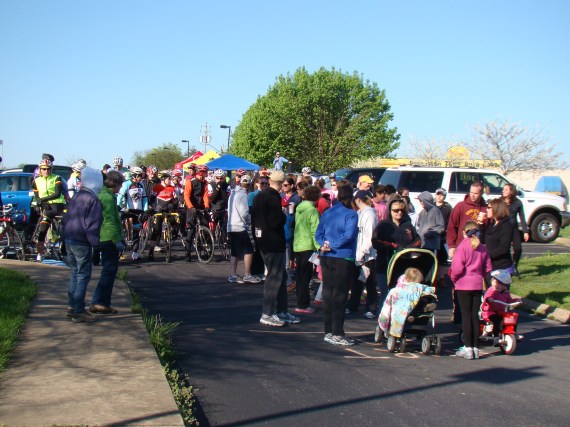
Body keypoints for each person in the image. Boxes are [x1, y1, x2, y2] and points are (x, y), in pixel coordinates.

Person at [252, 170, 300, 326]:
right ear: (280, 183)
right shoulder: (272, 197)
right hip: (273, 241)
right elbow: (275, 221)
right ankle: (268, 313)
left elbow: (254, 217)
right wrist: (284, 216)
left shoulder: (260, 195)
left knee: (281, 276)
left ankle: (281, 311)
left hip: (263, 240)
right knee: (274, 277)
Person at [315, 185, 359, 346]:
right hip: (343, 257)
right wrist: (332, 245)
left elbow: (318, 233)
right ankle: (337, 333)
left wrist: (324, 245)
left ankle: (328, 330)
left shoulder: (328, 212)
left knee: (328, 293)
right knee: (340, 295)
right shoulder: (351, 214)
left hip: (326, 256)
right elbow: (348, 235)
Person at [60, 167, 103, 323]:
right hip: (82, 241)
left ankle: (72, 307)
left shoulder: (77, 196)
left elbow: (65, 219)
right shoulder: (93, 200)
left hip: (69, 238)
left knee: (74, 273)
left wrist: (62, 238)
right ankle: (78, 311)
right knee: (83, 275)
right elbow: (92, 225)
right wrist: (96, 246)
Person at [449, 220, 492, 360]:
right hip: (477, 284)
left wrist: (454, 279)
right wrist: (480, 275)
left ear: (464, 232)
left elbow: (457, 268)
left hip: (463, 285)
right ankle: (475, 347)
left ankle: (467, 347)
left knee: (466, 316)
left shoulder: (462, 247)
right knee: (474, 316)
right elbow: (488, 268)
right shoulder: (482, 248)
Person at [372, 198, 421, 308]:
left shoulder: (408, 225)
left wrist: (408, 248)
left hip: (404, 267)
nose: (399, 212)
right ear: (390, 211)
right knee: (386, 295)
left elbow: (418, 240)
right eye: (396, 210)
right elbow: (375, 241)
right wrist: (394, 246)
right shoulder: (383, 225)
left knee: (402, 296)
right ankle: (383, 318)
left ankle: (399, 318)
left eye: (401, 210)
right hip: (386, 265)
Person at [89, 170, 125, 315]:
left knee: (107, 270)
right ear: (115, 183)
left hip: (102, 237)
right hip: (108, 238)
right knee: (109, 271)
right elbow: (109, 221)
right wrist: (117, 240)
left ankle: (100, 301)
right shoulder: (108, 197)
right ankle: (100, 302)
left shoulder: (103, 194)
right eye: (120, 184)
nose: (121, 187)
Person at [346, 190, 378, 319]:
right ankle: (353, 305)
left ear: (358, 199)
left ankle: (371, 308)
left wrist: (363, 252)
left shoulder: (370, 214)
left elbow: (370, 236)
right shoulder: (359, 213)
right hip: (357, 253)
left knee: (370, 282)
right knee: (357, 281)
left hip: (367, 255)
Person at [378, 268, 435, 339]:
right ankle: (421, 309)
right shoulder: (398, 290)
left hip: (409, 307)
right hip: (405, 307)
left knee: (419, 300)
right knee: (418, 302)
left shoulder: (415, 287)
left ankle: (421, 309)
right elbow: (427, 288)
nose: (418, 284)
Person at [292, 185, 321, 314]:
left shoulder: (299, 208)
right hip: (308, 246)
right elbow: (315, 231)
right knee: (305, 277)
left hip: (298, 244)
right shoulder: (313, 211)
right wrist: (319, 247)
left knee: (299, 276)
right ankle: (303, 304)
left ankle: (301, 302)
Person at [227, 174, 260, 283]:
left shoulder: (233, 193)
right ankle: (247, 274)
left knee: (235, 251)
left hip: (231, 225)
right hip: (239, 226)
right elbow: (244, 212)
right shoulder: (243, 195)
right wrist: (248, 221)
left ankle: (232, 274)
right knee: (249, 250)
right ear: (250, 184)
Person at [32, 159, 66, 262]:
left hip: (58, 207)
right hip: (47, 209)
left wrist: (43, 200)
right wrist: (41, 203)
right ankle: (39, 254)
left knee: (64, 230)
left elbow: (57, 193)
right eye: (44, 169)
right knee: (42, 231)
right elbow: (37, 196)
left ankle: (64, 251)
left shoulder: (56, 178)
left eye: (48, 169)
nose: (46, 171)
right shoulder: (36, 181)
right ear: (40, 170)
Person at [446, 181, 488, 260]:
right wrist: (451, 246)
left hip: (479, 249)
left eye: (476, 193)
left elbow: (488, 230)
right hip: (461, 246)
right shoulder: (460, 206)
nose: (472, 195)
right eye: (471, 192)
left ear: (481, 193)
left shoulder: (485, 208)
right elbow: (452, 226)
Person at [117, 166, 148, 260]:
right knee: (120, 227)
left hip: (138, 211)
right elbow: (120, 195)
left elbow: (144, 198)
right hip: (128, 209)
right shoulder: (127, 184)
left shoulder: (141, 185)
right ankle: (120, 247)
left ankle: (135, 252)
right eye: (140, 176)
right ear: (135, 176)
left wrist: (145, 209)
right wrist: (118, 206)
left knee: (136, 231)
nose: (141, 178)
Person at [481, 270, 521, 344]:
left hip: (501, 311)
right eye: (494, 281)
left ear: (504, 285)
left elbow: (509, 300)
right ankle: (496, 337)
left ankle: (514, 332)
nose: (496, 284)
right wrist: (489, 299)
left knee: (513, 318)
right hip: (489, 311)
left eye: (499, 283)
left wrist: (517, 300)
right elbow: (487, 297)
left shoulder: (506, 292)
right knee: (497, 320)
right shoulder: (491, 290)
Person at [147, 171, 179, 260]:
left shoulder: (172, 188)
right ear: (163, 179)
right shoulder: (157, 187)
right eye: (169, 179)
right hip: (159, 210)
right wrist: (151, 207)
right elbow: (152, 199)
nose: (170, 180)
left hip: (169, 210)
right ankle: (151, 250)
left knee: (174, 222)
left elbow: (176, 199)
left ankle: (172, 235)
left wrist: (174, 205)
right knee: (156, 230)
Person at [184, 165, 211, 261]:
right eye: (202, 173)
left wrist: (207, 206)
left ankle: (205, 249)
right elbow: (186, 196)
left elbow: (205, 195)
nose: (204, 175)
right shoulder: (190, 181)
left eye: (205, 173)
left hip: (200, 207)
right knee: (191, 230)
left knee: (205, 226)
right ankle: (187, 253)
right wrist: (191, 207)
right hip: (191, 207)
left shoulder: (205, 182)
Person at [481, 197, 514, 275]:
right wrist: (481, 224)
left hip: (502, 267)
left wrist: (487, 255)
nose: (486, 210)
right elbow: (483, 240)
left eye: (489, 207)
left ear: (496, 209)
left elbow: (504, 248)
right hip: (490, 265)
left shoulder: (506, 226)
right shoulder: (492, 224)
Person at [502, 183, 529, 276]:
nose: (503, 191)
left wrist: (525, 231)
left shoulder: (518, 203)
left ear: (512, 191)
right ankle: (507, 268)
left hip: (514, 228)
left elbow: (522, 217)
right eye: (503, 189)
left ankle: (514, 266)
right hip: (503, 228)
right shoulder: (500, 201)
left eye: (506, 190)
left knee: (518, 248)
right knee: (505, 249)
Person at [434, 188, 452, 266]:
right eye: (438, 194)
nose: (439, 197)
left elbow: (450, 220)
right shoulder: (431, 206)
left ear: (444, 196)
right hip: (432, 232)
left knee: (441, 250)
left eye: (441, 195)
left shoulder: (448, 207)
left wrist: (448, 230)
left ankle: (442, 263)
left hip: (443, 233)